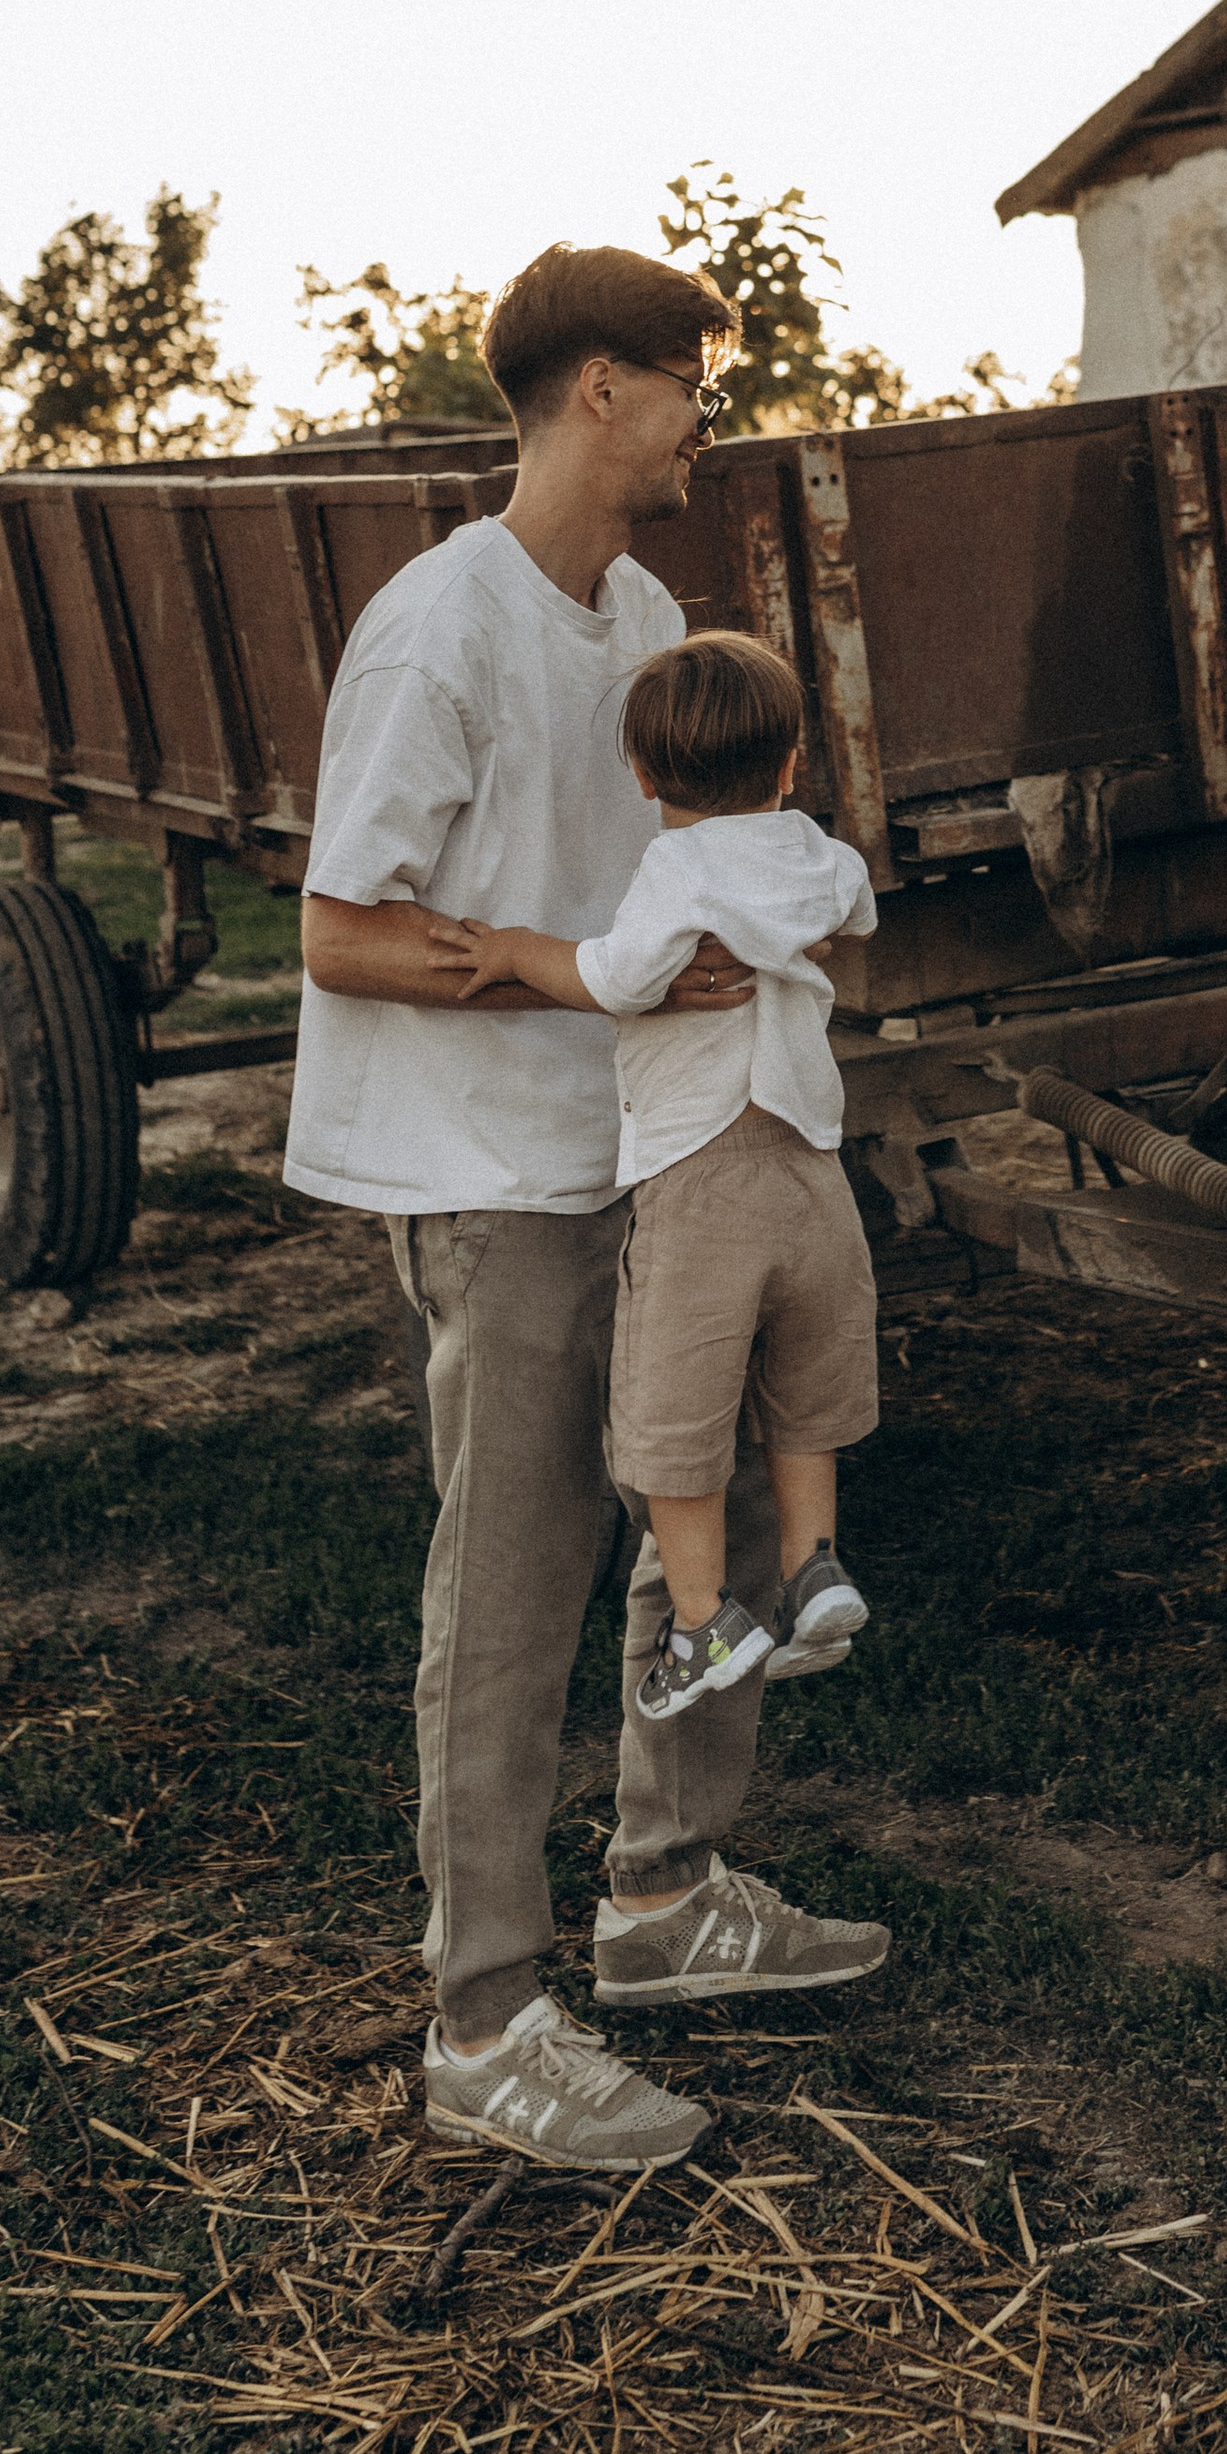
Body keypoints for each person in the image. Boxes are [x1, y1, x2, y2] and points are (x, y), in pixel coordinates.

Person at [284, 244, 889, 2176]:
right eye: (693, 380)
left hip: (655, 1153)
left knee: (680, 1517)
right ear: (601, 392)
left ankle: (663, 1895)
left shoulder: (638, 608)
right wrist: (578, 975)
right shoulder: (439, 626)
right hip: (491, 1172)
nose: (713, 415)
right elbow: (336, 931)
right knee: (519, 1573)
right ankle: (481, 2019)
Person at [423, 628, 881, 1751]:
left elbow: (621, 979)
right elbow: (854, 911)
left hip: (700, 1176)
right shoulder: (817, 853)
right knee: (801, 1386)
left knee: (675, 1414)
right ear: (788, 768)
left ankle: (700, 1621)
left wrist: (519, 950)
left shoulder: (674, 870)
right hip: (814, 1177)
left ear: (641, 778)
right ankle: (814, 1568)